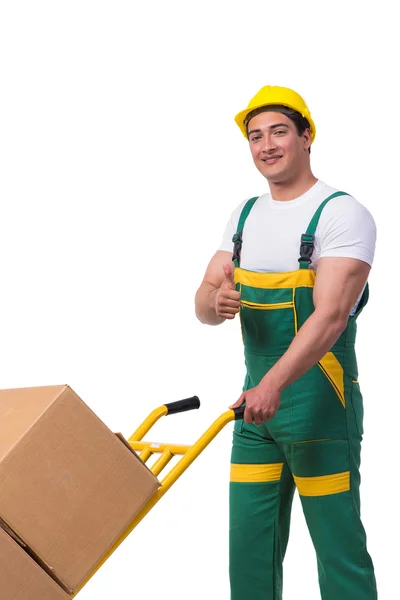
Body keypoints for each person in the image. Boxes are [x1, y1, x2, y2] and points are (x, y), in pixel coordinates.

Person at [194, 85, 378, 599]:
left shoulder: (342, 213)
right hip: (255, 413)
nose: (266, 145)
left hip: (321, 409)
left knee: (338, 553)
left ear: (306, 136)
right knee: (249, 554)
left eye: (278, 131)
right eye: (255, 136)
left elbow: (331, 317)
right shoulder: (245, 215)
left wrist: (273, 384)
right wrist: (218, 302)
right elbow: (204, 298)